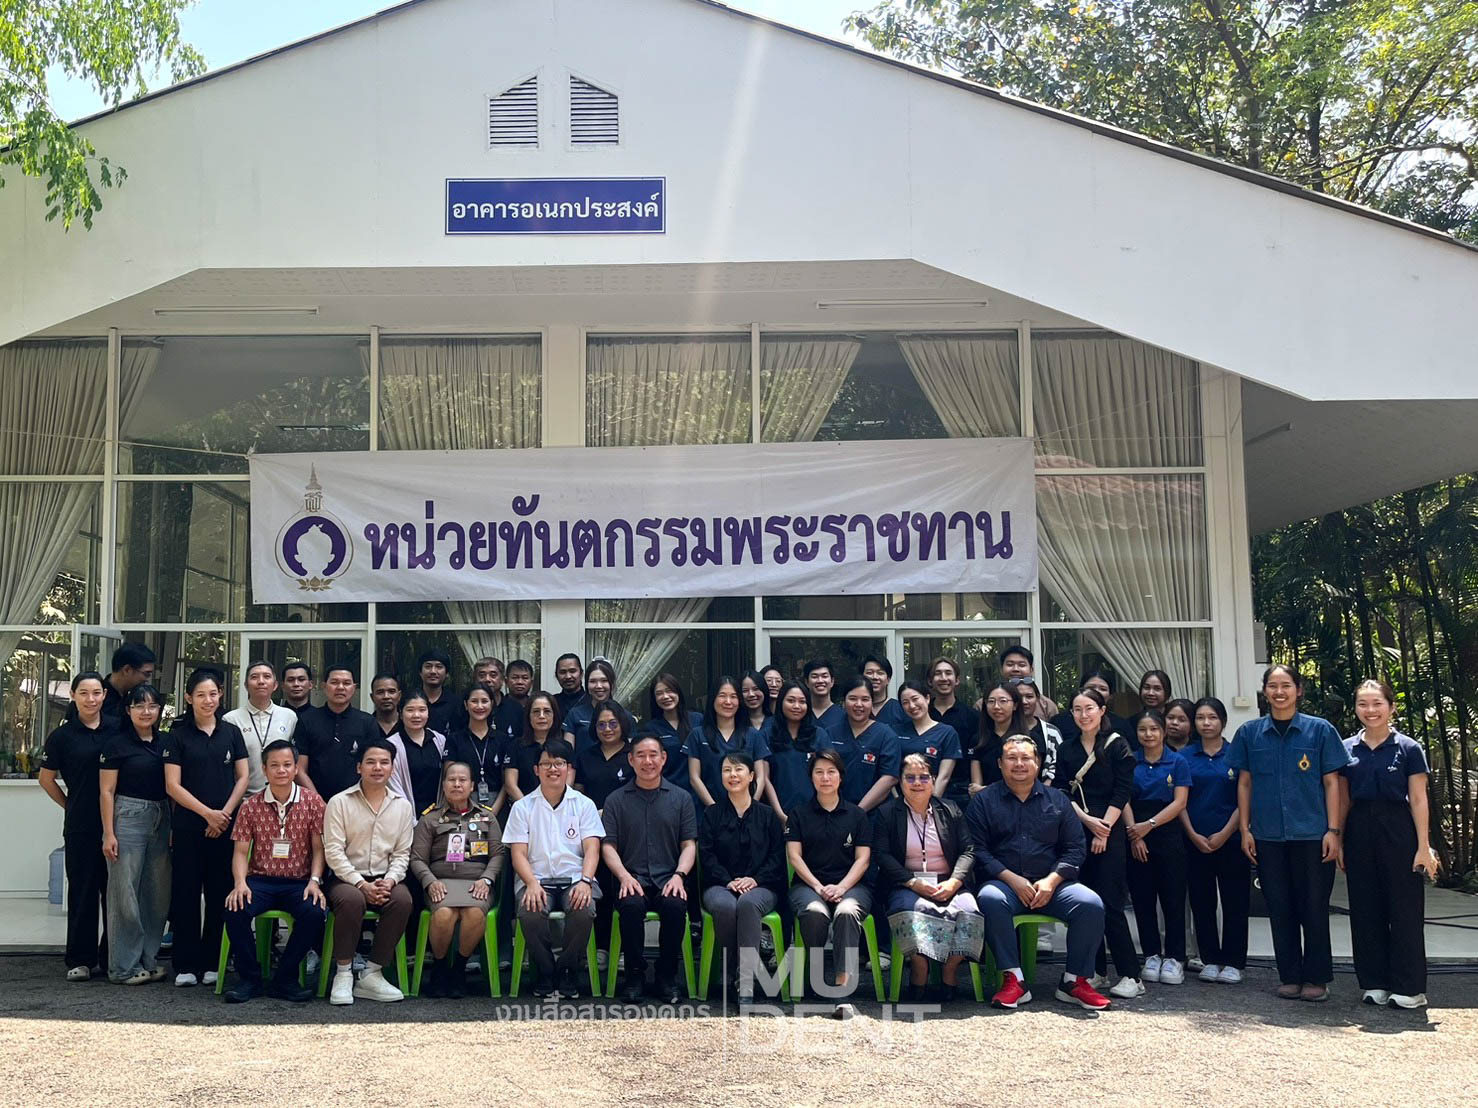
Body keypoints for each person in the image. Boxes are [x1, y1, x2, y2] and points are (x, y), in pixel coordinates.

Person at [1229, 664, 1351, 1002]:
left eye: (1286, 685)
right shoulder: (1250, 733)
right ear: (1264, 691)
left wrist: (1333, 830)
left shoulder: (1320, 731)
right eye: (1272, 686)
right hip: (1267, 836)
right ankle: (1290, 975)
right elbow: (1245, 783)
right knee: (1279, 907)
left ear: (1299, 689)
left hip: (1312, 835)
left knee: (1313, 907)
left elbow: (1332, 783)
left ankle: (1316, 977)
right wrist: (1244, 830)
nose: (1279, 692)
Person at [968, 736, 1111, 1011]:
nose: (1019, 764)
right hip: (1004, 884)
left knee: (1090, 904)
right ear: (1000, 764)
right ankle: (1014, 980)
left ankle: (1074, 981)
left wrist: (1051, 880)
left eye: (1026, 758)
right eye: (1012, 758)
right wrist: (1012, 878)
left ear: (1038, 763)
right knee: (989, 899)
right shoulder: (984, 801)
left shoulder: (1058, 800)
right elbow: (977, 850)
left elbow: (1075, 849)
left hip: (1052, 884)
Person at [1340, 679, 1437, 1009]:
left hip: (1398, 827)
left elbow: (1420, 799)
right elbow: (1342, 798)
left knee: (1404, 907)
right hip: (1358, 828)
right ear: (1356, 709)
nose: (1370, 710)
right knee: (1366, 907)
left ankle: (1410, 987)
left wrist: (1424, 846)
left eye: (1377, 703)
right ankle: (1374, 981)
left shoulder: (1408, 748)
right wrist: (1337, 838)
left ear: (1391, 707)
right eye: (1363, 704)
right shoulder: (1346, 748)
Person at [221, 739, 328, 1004]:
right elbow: (240, 852)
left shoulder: (313, 802)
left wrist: (315, 881)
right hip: (260, 880)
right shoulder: (250, 806)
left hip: (299, 881)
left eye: (287, 765)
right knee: (235, 908)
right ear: (264, 769)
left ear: (295, 769)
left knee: (314, 912)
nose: (281, 770)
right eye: (274, 765)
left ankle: (285, 978)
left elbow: (319, 849)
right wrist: (240, 883)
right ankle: (250, 978)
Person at [163, 668, 249, 987]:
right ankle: (186, 963)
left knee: (219, 895)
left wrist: (223, 814)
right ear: (188, 698)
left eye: (213, 694)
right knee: (185, 894)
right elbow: (173, 785)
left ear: (221, 695)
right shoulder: (178, 735)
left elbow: (242, 777)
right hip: (189, 826)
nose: (208, 700)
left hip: (226, 827)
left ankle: (214, 960)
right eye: (200, 695)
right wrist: (207, 814)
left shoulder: (231, 732)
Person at [1054, 687, 1142, 998]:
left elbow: (1122, 790)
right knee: (1086, 905)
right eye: (1077, 709)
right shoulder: (1066, 750)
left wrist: (1104, 827)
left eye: (1089, 708)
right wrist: (1088, 822)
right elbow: (1062, 792)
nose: (1084, 715)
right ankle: (1096, 972)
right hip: (1079, 829)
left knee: (1110, 903)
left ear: (1102, 710)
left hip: (1111, 828)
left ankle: (1132, 974)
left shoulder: (1117, 745)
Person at [503, 738, 604, 999]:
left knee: (584, 909)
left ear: (569, 768)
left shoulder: (584, 804)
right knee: (530, 911)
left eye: (558, 763)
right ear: (536, 769)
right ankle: (546, 969)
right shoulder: (523, 807)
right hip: (535, 878)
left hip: (575, 877)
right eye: (546, 763)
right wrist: (532, 883)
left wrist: (585, 881)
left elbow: (592, 849)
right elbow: (518, 855)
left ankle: (569, 969)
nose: (553, 769)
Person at [601, 734, 698, 1003]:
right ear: (631, 760)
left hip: (670, 875)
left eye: (653, 754)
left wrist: (680, 875)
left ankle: (667, 975)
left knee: (675, 906)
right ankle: (635, 974)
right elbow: (607, 846)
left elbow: (689, 844)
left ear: (664, 758)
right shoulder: (615, 800)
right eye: (641, 755)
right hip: (631, 876)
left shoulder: (681, 798)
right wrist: (623, 876)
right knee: (630, 906)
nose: (648, 761)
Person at [877, 754, 981, 1002]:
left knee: (970, 910)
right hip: (906, 883)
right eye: (910, 777)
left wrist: (955, 881)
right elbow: (881, 855)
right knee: (912, 909)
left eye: (924, 777)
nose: (917, 782)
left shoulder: (951, 809)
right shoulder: (888, 813)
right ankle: (920, 965)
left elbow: (968, 850)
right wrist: (912, 882)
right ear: (900, 782)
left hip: (948, 881)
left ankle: (950, 967)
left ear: (933, 780)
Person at [322, 739, 416, 1005]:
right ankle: (343, 972)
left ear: (392, 768)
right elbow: (334, 853)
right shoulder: (339, 802)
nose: (378, 767)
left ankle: (372, 974)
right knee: (351, 901)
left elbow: (401, 854)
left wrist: (389, 881)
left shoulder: (402, 806)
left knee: (402, 900)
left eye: (384, 762)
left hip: (385, 876)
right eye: (371, 762)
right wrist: (362, 884)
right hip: (346, 879)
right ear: (359, 767)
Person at [38, 672, 116, 980]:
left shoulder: (117, 729)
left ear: (104, 696)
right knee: (83, 893)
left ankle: (112, 957)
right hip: (81, 826)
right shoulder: (62, 736)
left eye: (96, 693)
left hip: (116, 823)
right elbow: (46, 779)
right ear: (73, 695)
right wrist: (69, 805)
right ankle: (80, 960)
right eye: (84, 693)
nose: (91, 699)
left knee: (115, 894)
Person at [410, 761, 506, 998]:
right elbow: (417, 859)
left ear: (472, 785)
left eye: (463, 780)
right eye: (451, 779)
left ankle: (458, 969)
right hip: (440, 883)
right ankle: (441, 968)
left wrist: (487, 879)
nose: (457, 784)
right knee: (444, 914)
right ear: (443, 785)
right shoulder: (429, 819)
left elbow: (498, 854)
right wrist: (430, 881)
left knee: (474, 913)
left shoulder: (487, 817)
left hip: (477, 884)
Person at [785, 749, 873, 1005]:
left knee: (846, 912)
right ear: (811, 778)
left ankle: (841, 987)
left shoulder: (857, 815)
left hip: (852, 885)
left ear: (841, 777)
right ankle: (814, 977)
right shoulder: (799, 814)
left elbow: (863, 860)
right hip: (809, 885)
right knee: (814, 913)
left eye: (831, 772)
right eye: (819, 772)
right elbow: (794, 857)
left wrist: (843, 886)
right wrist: (818, 886)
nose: (825, 778)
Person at [699, 751, 786, 1001]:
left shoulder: (767, 815)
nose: (732, 775)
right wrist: (728, 880)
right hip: (720, 884)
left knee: (748, 904)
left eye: (738, 769)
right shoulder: (712, 814)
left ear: (751, 776)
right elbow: (707, 855)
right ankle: (734, 970)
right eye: (727, 770)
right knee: (725, 906)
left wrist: (754, 880)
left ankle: (744, 978)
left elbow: (777, 857)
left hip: (762, 885)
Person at [99, 684, 171, 985]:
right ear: (128, 710)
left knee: (156, 893)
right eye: (139, 706)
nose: (146, 711)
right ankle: (122, 967)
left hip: (162, 815)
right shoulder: (116, 744)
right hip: (127, 816)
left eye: (152, 706)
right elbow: (106, 790)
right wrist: (108, 833)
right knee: (124, 892)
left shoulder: (166, 743)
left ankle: (148, 959)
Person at [1180, 696, 1249, 984]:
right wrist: (1193, 834)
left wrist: (1226, 832)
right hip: (1194, 839)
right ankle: (1209, 958)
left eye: (1212, 718)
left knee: (1235, 901)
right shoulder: (1184, 756)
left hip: (1231, 839)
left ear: (1222, 721)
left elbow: (1245, 798)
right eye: (1200, 718)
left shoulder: (1237, 754)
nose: (1206, 723)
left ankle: (1234, 961)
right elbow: (1179, 801)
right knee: (1202, 901)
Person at [1123, 710, 1191, 986]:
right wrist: (1135, 835)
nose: (1148, 734)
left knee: (1173, 898)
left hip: (1168, 834)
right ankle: (1151, 954)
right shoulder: (1130, 762)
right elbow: (1123, 798)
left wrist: (1148, 826)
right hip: (1135, 833)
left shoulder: (1177, 761)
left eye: (1154, 729)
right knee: (1142, 898)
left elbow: (1180, 803)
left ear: (1163, 731)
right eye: (1143, 729)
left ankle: (1175, 957)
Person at [295, 664, 379, 801]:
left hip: (358, 802)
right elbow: (300, 769)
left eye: (346, 683)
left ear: (354, 687)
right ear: (324, 686)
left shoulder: (367, 722)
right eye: (334, 682)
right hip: (314, 803)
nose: (340, 687)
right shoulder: (307, 720)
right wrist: (317, 802)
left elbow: (374, 766)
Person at [688, 676, 771, 809]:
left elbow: (760, 777)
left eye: (733, 696)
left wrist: (750, 807)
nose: (728, 701)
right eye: (722, 696)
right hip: (709, 813)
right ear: (713, 699)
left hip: (747, 814)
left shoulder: (753, 735)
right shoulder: (697, 734)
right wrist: (715, 810)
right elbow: (694, 778)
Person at [818, 676, 900, 811]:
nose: (859, 704)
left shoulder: (886, 735)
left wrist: (858, 812)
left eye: (865, 699)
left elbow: (889, 778)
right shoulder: (830, 733)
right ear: (843, 702)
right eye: (853, 699)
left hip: (876, 815)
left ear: (872, 702)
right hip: (834, 811)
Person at [223, 661, 297, 795]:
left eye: (267, 676)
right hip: (244, 798)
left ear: (275, 685)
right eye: (254, 677)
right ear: (246, 685)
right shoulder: (231, 719)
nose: (261, 681)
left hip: (281, 797)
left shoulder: (289, 716)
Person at [763, 680, 819, 825]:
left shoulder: (819, 735)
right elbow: (764, 778)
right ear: (781, 702)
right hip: (776, 815)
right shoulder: (767, 734)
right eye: (791, 700)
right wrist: (780, 815)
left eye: (802, 701)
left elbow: (828, 775)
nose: (796, 706)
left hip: (815, 816)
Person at [443, 683, 505, 811]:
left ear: (492, 704)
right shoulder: (454, 739)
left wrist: (494, 811)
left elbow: (507, 782)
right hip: (462, 804)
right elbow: (449, 776)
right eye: (474, 701)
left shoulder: (503, 740)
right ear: (466, 705)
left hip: (498, 805)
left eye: (484, 701)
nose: (480, 706)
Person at [638, 672, 703, 793]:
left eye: (669, 691)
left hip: (699, 794)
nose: (665, 696)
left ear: (678, 692)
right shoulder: (651, 728)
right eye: (659, 693)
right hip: (666, 795)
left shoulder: (697, 720)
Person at [895, 680, 962, 797]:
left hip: (933, 802)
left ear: (927, 698)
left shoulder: (947, 733)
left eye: (915, 699)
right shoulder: (895, 732)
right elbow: (890, 773)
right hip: (901, 803)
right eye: (905, 702)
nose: (911, 705)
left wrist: (929, 806)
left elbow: (944, 776)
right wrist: (898, 803)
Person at [385, 690, 448, 814]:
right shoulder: (391, 745)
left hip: (439, 817)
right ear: (401, 714)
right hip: (405, 817)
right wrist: (412, 820)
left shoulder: (440, 740)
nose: (416, 715)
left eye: (422, 710)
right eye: (410, 710)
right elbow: (393, 786)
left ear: (428, 713)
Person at [69, 641, 156, 726]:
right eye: (146, 674)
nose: (147, 679)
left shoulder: (132, 698)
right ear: (127, 670)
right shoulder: (92, 701)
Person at [971, 681, 1032, 793]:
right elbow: (976, 788)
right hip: (986, 804)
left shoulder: (1029, 739)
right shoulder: (978, 739)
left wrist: (989, 790)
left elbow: (1028, 783)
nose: (996, 707)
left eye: (1003, 701)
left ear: (1015, 705)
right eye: (991, 701)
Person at [504, 691, 563, 803]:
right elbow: (510, 784)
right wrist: (528, 808)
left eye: (547, 711)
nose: (541, 716)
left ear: (554, 715)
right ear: (528, 716)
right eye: (536, 712)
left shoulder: (564, 746)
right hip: (524, 810)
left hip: (557, 809)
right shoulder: (516, 745)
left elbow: (567, 783)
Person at [574, 701, 633, 810]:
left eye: (613, 723)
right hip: (592, 821)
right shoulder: (585, 757)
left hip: (627, 820)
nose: (607, 729)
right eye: (601, 725)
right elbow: (579, 795)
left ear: (622, 723)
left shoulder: (633, 755)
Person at [1052, 670, 1135, 749]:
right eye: (1091, 687)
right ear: (1081, 690)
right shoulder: (1059, 722)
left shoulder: (1121, 725)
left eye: (1103, 689)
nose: (1096, 691)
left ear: (1110, 696)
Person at [563, 659, 631, 753]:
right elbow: (567, 753)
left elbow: (632, 751)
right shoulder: (575, 714)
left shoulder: (625, 716)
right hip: (582, 767)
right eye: (593, 681)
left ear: (612, 684)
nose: (599, 686)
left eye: (604, 680)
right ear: (587, 685)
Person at [1009, 678, 1063, 786]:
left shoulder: (1052, 732)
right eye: (1019, 697)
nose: (1024, 702)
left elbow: (1058, 764)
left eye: (1029, 697)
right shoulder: (1004, 730)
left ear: (1037, 698)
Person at [927, 656, 980, 747]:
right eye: (938, 673)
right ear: (930, 681)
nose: (943, 678)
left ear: (957, 680)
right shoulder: (922, 713)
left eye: (948, 673)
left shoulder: (972, 716)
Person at [999, 644, 1057, 720]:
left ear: (1031, 670)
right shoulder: (987, 703)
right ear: (1001, 670)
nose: (1016, 669)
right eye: (1010, 664)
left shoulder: (1046, 705)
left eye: (1022, 665)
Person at [418, 649, 462, 735]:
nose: (433, 671)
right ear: (420, 672)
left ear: (447, 673)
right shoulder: (410, 700)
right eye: (428, 666)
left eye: (439, 667)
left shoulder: (456, 703)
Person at [862, 655, 909, 731]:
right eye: (869, 672)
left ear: (888, 679)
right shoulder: (856, 709)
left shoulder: (900, 709)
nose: (875, 677)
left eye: (880, 673)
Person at [498, 660, 535, 742]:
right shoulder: (498, 707)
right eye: (515, 678)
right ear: (506, 681)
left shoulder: (536, 707)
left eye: (525, 678)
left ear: (531, 682)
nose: (520, 682)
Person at [802, 659, 843, 733]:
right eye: (814, 676)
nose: (820, 681)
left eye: (824, 676)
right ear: (806, 682)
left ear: (832, 681)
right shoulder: (800, 713)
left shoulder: (844, 716)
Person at [552, 652, 586, 718]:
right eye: (562, 672)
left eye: (572, 671)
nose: (568, 676)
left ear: (581, 674)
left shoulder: (592, 702)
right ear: (556, 676)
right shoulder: (551, 703)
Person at [369, 672, 402, 739]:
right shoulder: (366, 726)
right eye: (380, 692)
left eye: (391, 691)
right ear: (372, 697)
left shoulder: (408, 726)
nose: (386, 696)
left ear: (399, 696)